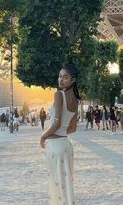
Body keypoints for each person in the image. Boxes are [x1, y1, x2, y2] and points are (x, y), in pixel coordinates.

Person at [40, 63, 80, 205]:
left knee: (57, 185)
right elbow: (73, 128)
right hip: (66, 145)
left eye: (65, 77)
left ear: (73, 80)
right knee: (67, 186)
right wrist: (61, 132)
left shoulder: (59, 94)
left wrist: (43, 135)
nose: (61, 80)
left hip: (55, 147)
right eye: (60, 76)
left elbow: (56, 123)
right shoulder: (75, 100)